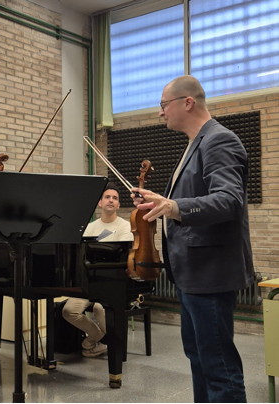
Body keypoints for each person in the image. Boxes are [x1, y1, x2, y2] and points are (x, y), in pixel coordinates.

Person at [131, 75, 255, 403]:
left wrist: (174, 206)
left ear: (187, 102)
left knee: (218, 367)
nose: (160, 112)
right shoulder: (194, 143)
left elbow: (229, 200)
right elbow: (191, 199)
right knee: (200, 360)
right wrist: (159, 202)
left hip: (209, 273)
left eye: (163, 105)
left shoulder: (219, 140)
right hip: (190, 273)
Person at [62, 184, 133, 358]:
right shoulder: (89, 228)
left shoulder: (125, 226)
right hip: (89, 282)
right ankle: (103, 339)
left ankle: (103, 342)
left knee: (101, 308)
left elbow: (121, 257)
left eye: (115, 198)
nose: (111, 200)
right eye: (107, 197)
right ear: (100, 203)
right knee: (68, 311)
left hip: (113, 282)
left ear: (118, 205)